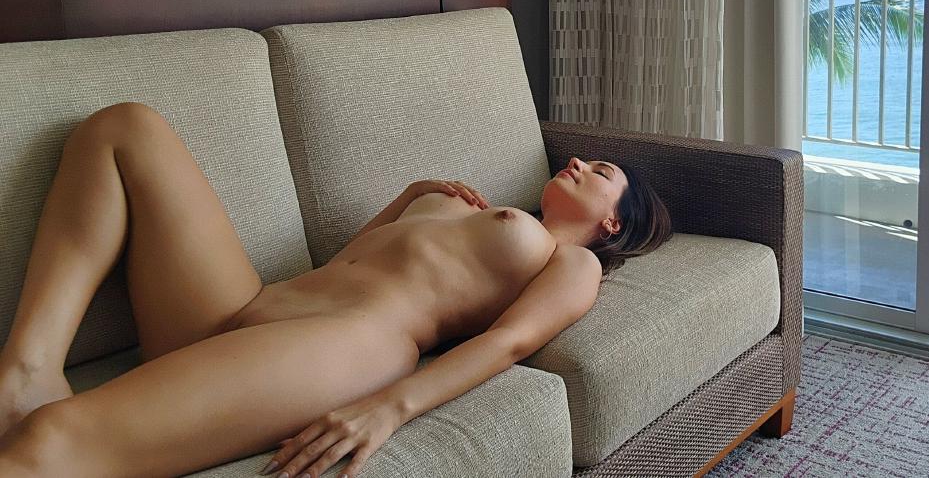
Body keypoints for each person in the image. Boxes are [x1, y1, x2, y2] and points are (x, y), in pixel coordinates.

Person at [0, 101, 672, 477]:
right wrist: (410, 197)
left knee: (53, 439)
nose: (578, 161)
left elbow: (508, 343)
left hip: (347, 344)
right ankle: (29, 366)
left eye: (600, 171)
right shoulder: (475, 207)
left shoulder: (572, 263)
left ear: (613, 222)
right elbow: (351, 259)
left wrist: (389, 408)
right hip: (255, 305)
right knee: (124, 127)